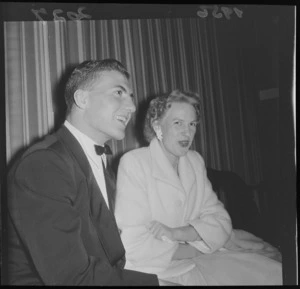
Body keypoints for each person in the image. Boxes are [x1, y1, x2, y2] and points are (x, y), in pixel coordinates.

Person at [5, 59, 161, 285]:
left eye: (131, 96)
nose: (132, 107)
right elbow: (72, 277)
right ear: (82, 99)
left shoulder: (94, 161)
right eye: (119, 92)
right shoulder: (44, 164)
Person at [115, 89, 283, 285]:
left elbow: (220, 220)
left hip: (199, 260)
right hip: (155, 271)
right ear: (157, 126)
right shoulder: (134, 162)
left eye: (192, 124)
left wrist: (178, 234)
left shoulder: (194, 161)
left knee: (274, 274)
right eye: (177, 123)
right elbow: (134, 244)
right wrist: (195, 246)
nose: (187, 132)